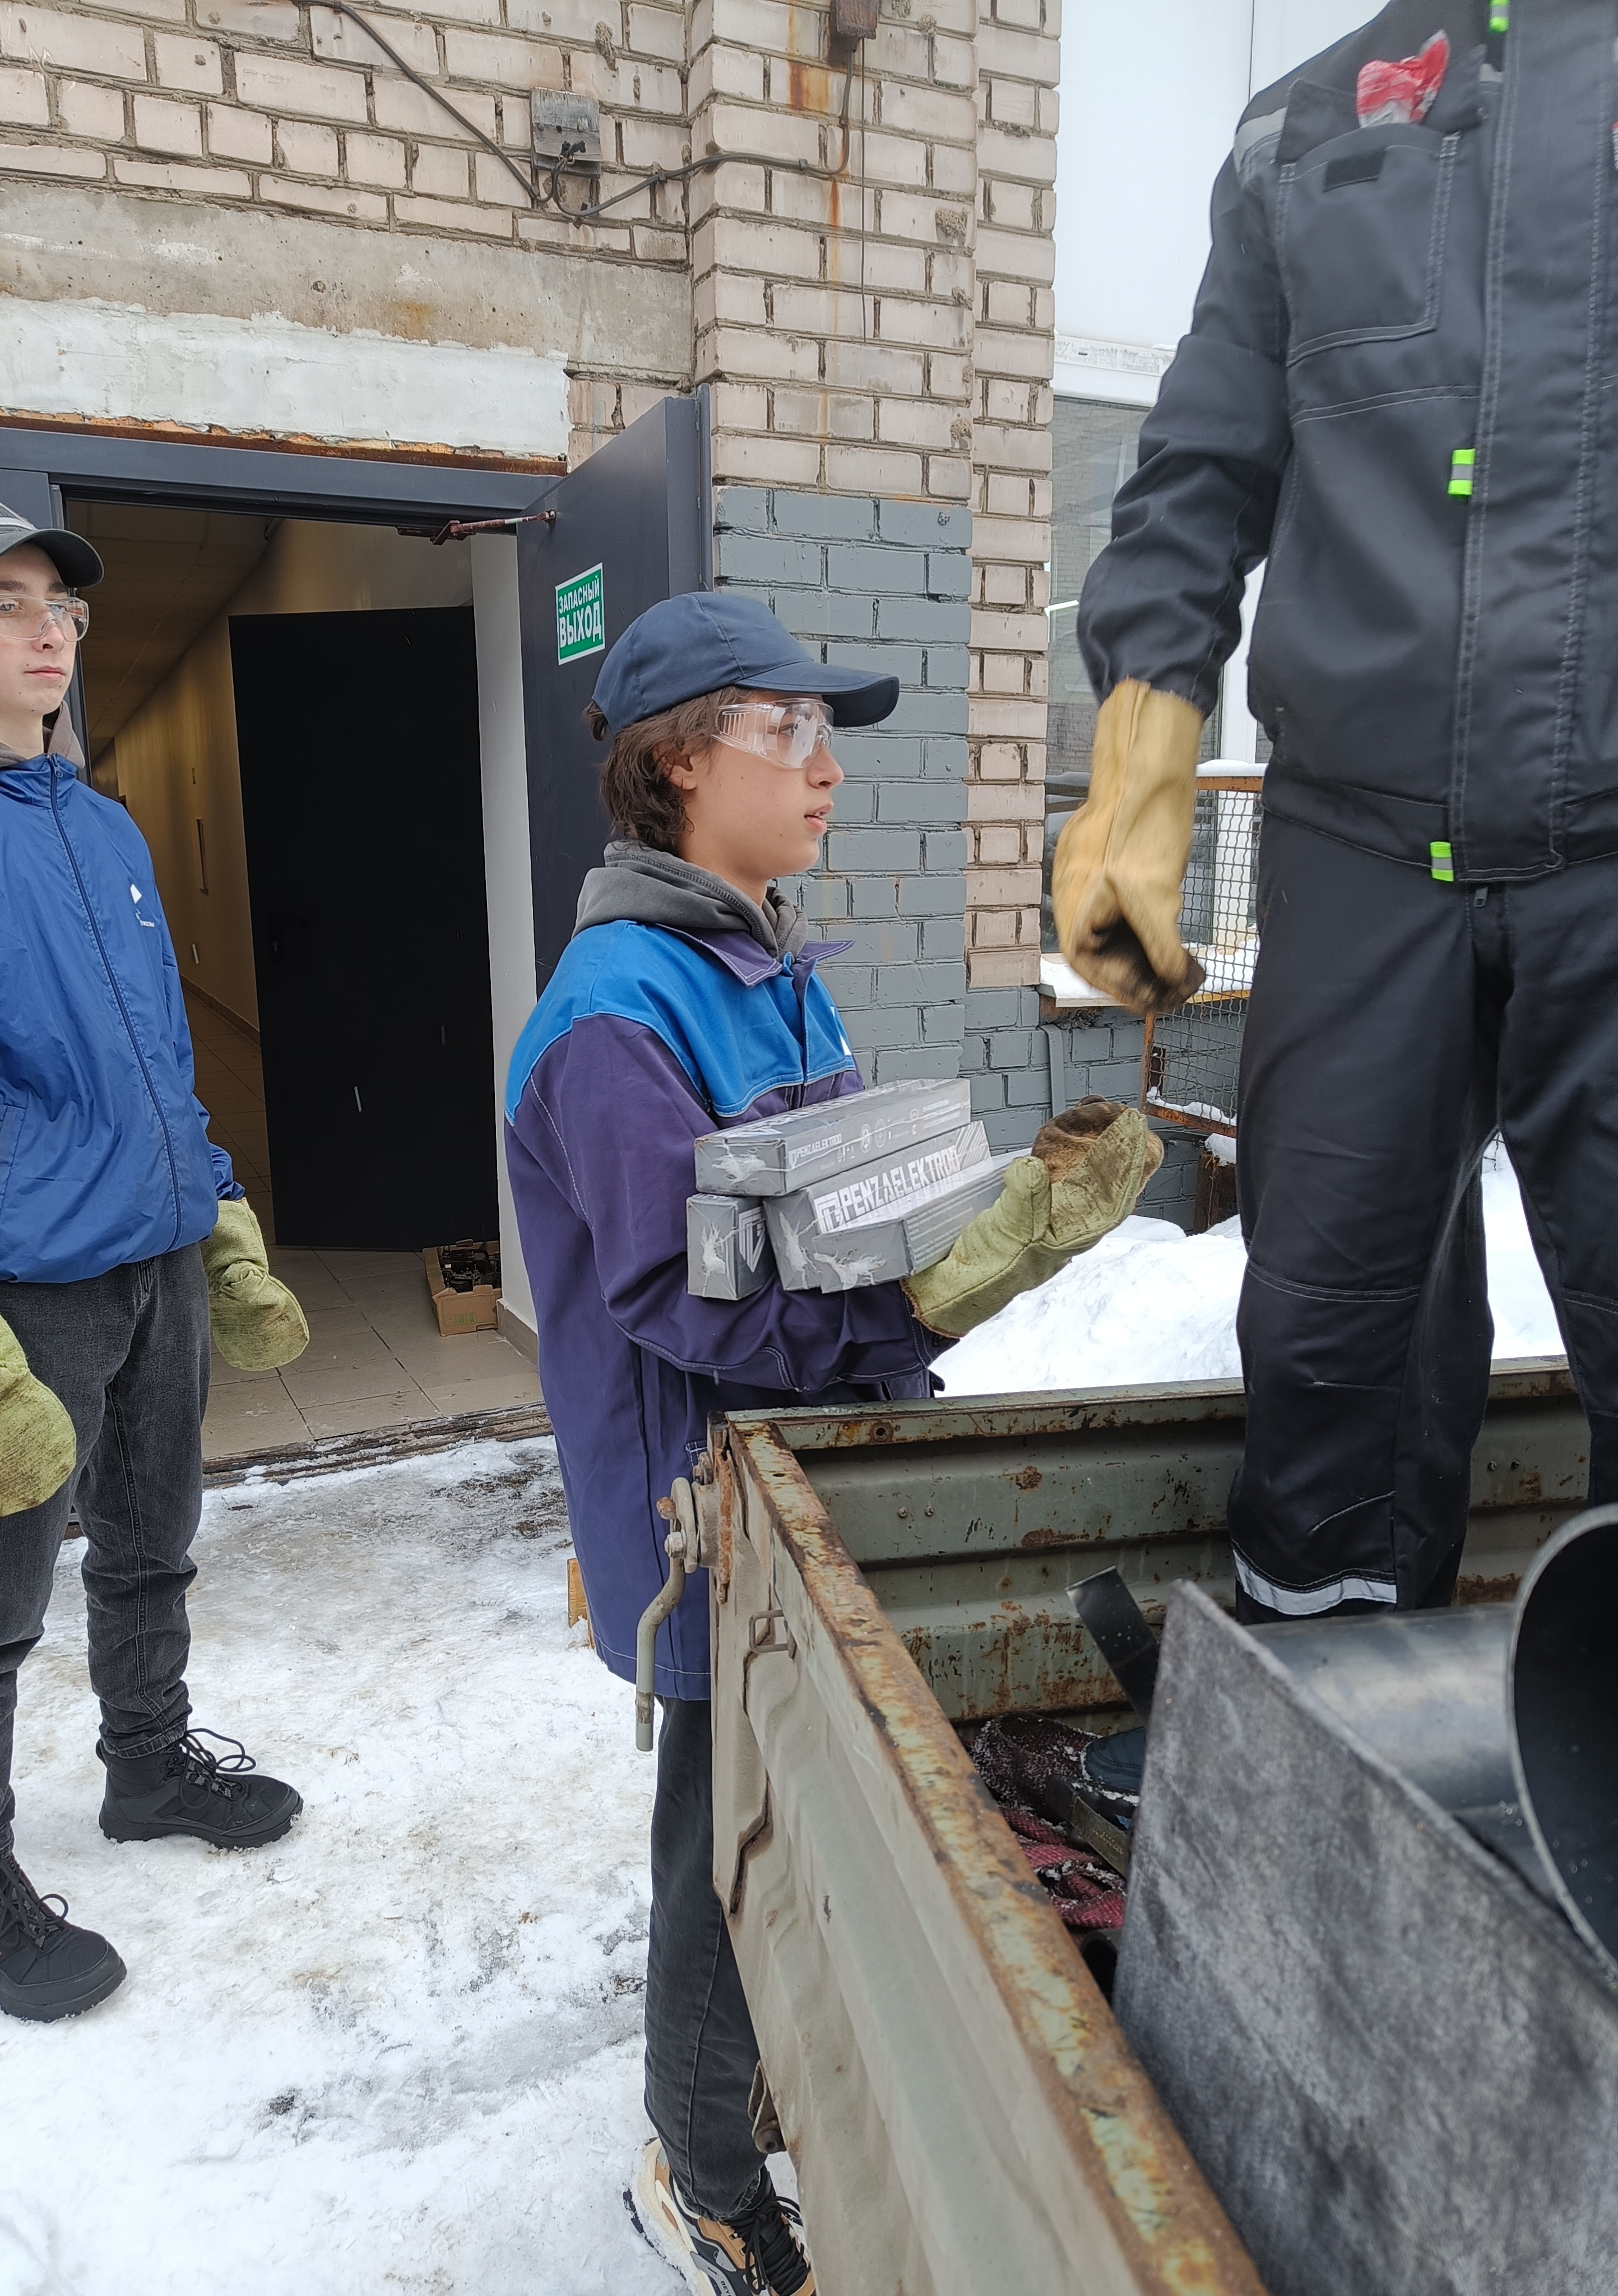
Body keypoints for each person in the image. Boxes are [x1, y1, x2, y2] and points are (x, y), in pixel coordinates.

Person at [503, 590, 1159, 2294]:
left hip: (808, 1472)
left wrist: (967, 1237)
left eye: (826, 733)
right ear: (675, 763)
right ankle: (703, 2170)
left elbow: (828, 1223)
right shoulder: (619, 1015)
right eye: (785, 731)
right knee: (728, 1852)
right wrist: (919, 1313)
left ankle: (740, 2098)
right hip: (711, 1509)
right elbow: (685, 1298)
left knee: (788, 1826)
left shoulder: (761, 961)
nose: (826, 767)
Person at [1054, 2, 1618, 1623]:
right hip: (1361, 846)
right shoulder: (1310, 122)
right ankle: (1323, 1709)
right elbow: (1199, 471)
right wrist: (1140, 775)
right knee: (1325, 1332)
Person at [0, 497, 311, 2022]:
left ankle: (147, 1764)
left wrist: (218, 1209)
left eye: (61, 605)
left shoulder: (100, 820)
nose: (48, 629)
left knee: (152, 1541)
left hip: (156, 1258)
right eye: (2, 601)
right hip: (21, 1286)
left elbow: (158, 1053)